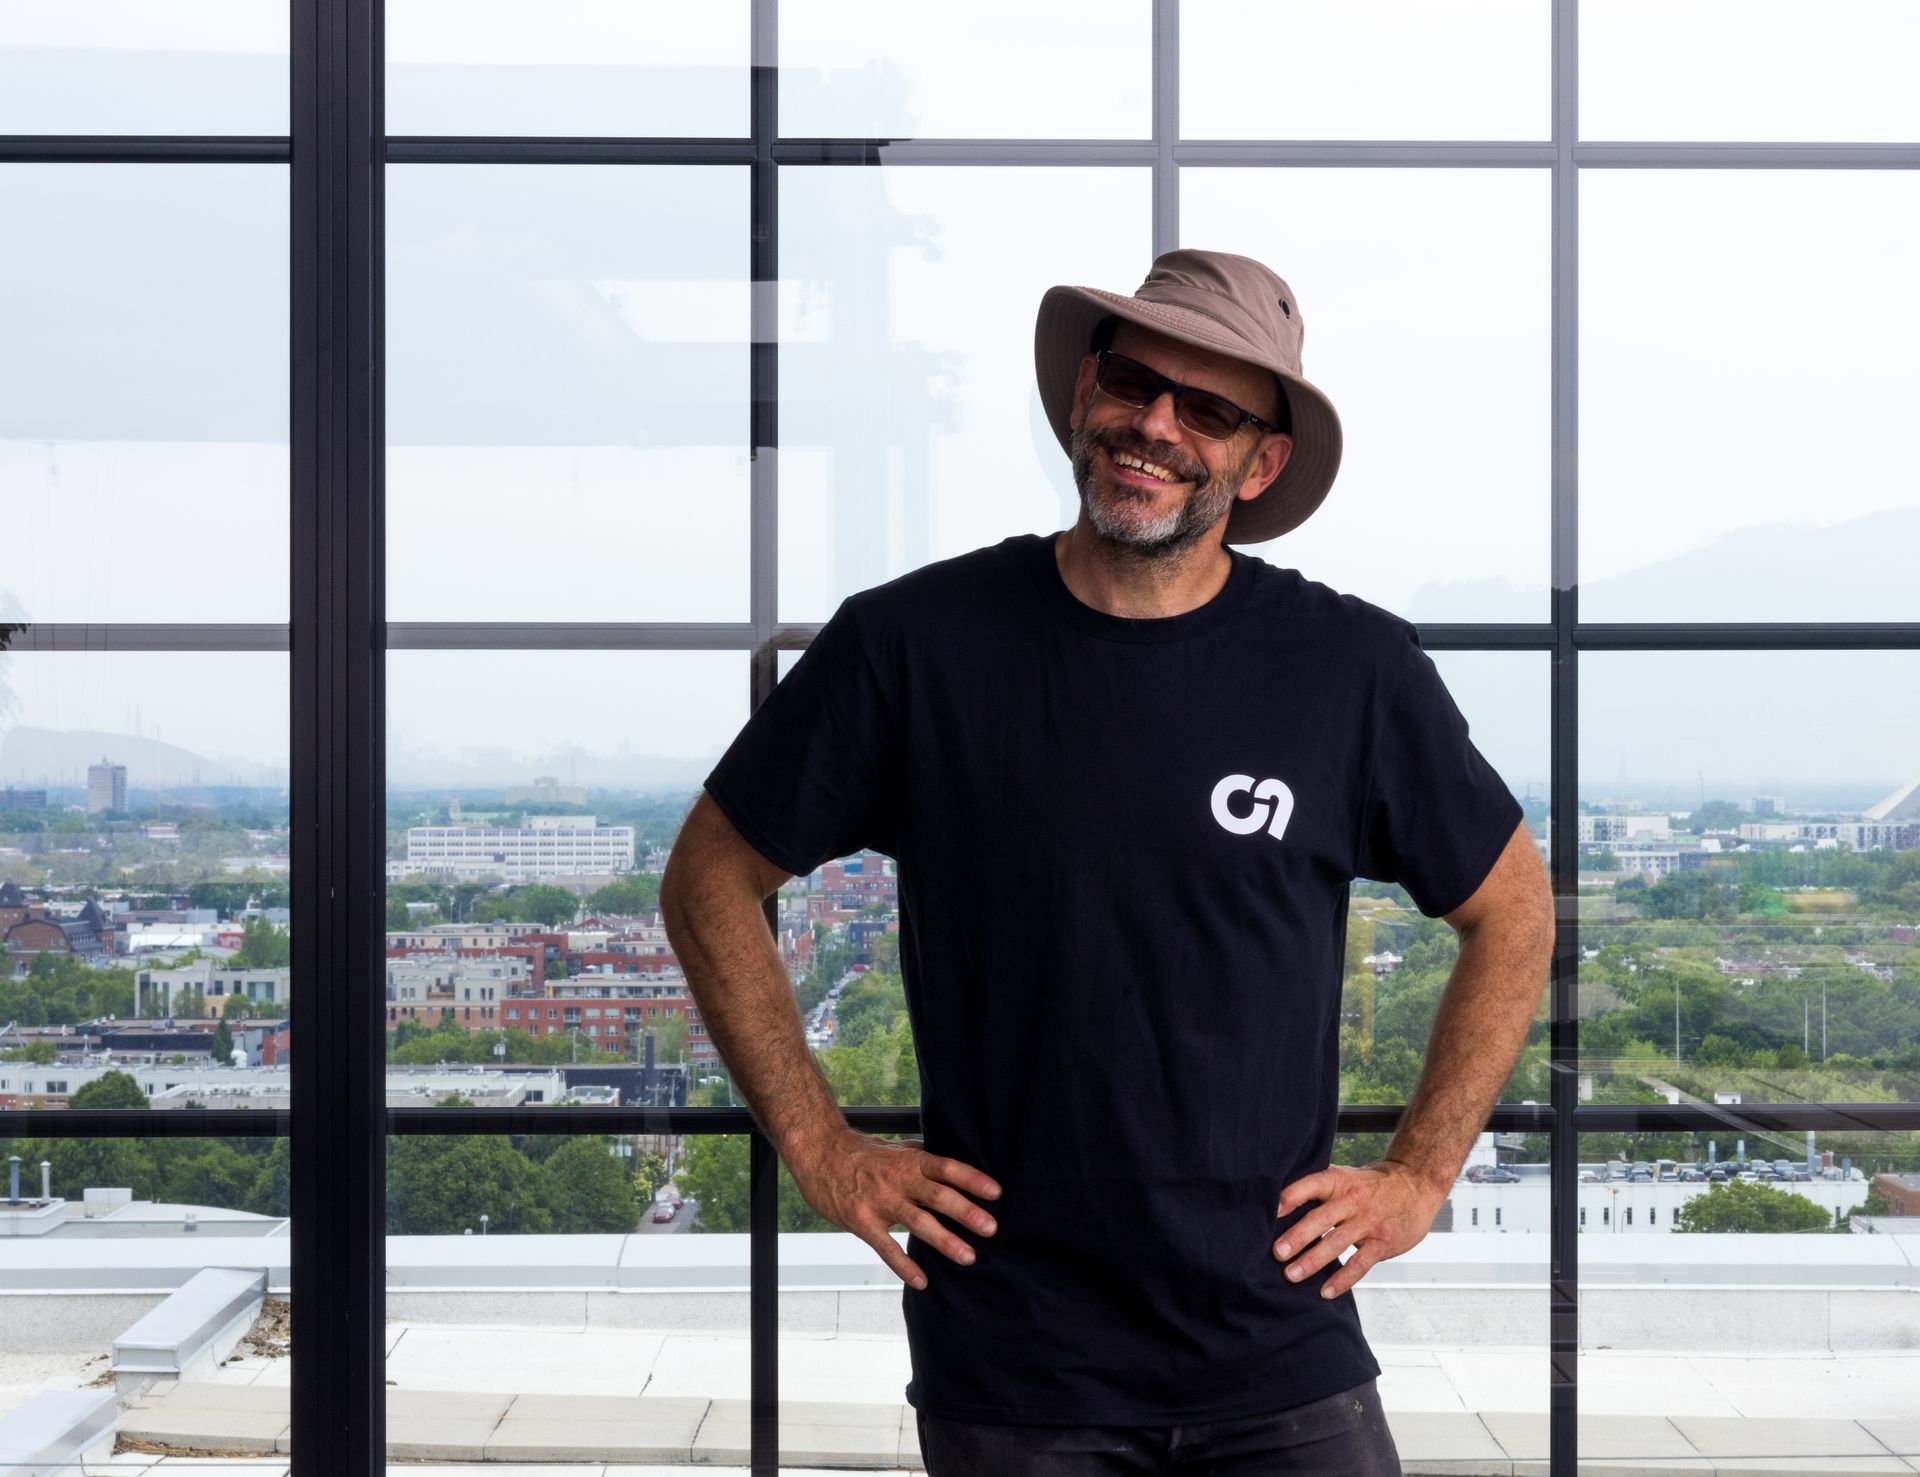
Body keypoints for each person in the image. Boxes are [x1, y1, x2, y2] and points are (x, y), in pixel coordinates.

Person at [660, 248, 1556, 1474]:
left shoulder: (1352, 671)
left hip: (1281, 1347)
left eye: (1212, 410)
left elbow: (1514, 910)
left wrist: (1417, 1173)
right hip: (1018, 1367)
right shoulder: (915, 646)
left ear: (1263, 460)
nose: (1157, 427)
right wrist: (823, 1146)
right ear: (1086, 394)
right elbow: (711, 873)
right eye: (1136, 384)